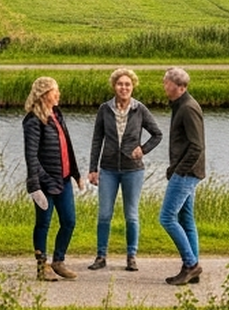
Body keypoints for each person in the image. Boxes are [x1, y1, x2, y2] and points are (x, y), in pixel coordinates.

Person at [86, 67, 162, 272]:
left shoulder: (140, 109)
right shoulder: (104, 109)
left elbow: (157, 134)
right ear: (114, 86)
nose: (124, 87)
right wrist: (93, 169)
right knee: (104, 214)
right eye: (120, 84)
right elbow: (96, 140)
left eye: (127, 84)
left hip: (133, 170)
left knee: (131, 215)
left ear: (133, 86)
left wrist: (143, 149)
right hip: (108, 169)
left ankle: (131, 256)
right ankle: (101, 256)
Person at [21, 75, 85, 281]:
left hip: (63, 179)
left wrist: (75, 174)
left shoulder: (57, 114)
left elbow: (67, 147)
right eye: (55, 90)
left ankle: (58, 261)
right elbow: (31, 156)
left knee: (69, 221)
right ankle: (42, 266)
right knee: (43, 223)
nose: (58, 94)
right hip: (44, 183)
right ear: (44, 94)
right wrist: (36, 184)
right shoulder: (33, 121)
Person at [158, 66, 206, 285]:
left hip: (187, 173)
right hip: (185, 171)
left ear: (180, 87)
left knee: (167, 217)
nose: (164, 85)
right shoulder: (180, 105)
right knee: (186, 219)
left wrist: (178, 170)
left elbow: (196, 146)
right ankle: (192, 267)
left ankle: (191, 265)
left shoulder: (188, 108)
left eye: (167, 82)